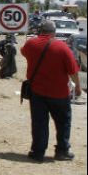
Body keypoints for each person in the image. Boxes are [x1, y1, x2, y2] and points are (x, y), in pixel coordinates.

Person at [20, 20, 82, 162]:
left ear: (40, 30)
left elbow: (23, 52)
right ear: (54, 32)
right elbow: (73, 71)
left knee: (39, 122)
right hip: (59, 93)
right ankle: (62, 151)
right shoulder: (62, 47)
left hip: (37, 92)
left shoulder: (31, 44)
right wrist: (78, 88)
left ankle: (37, 152)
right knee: (63, 122)